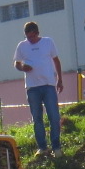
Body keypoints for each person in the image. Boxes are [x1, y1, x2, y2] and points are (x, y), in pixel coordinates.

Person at [14, 21, 63, 157]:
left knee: (54, 116)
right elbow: (17, 63)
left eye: (33, 36)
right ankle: (42, 147)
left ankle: (56, 146)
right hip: (32, 87)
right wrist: (23, 67)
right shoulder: (22, 46)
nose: (31, 39)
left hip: (48, 85)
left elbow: (56, 60)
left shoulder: (48, 42)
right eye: (28, 37)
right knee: (37, 118)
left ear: (37, 33)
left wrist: (60, 79)